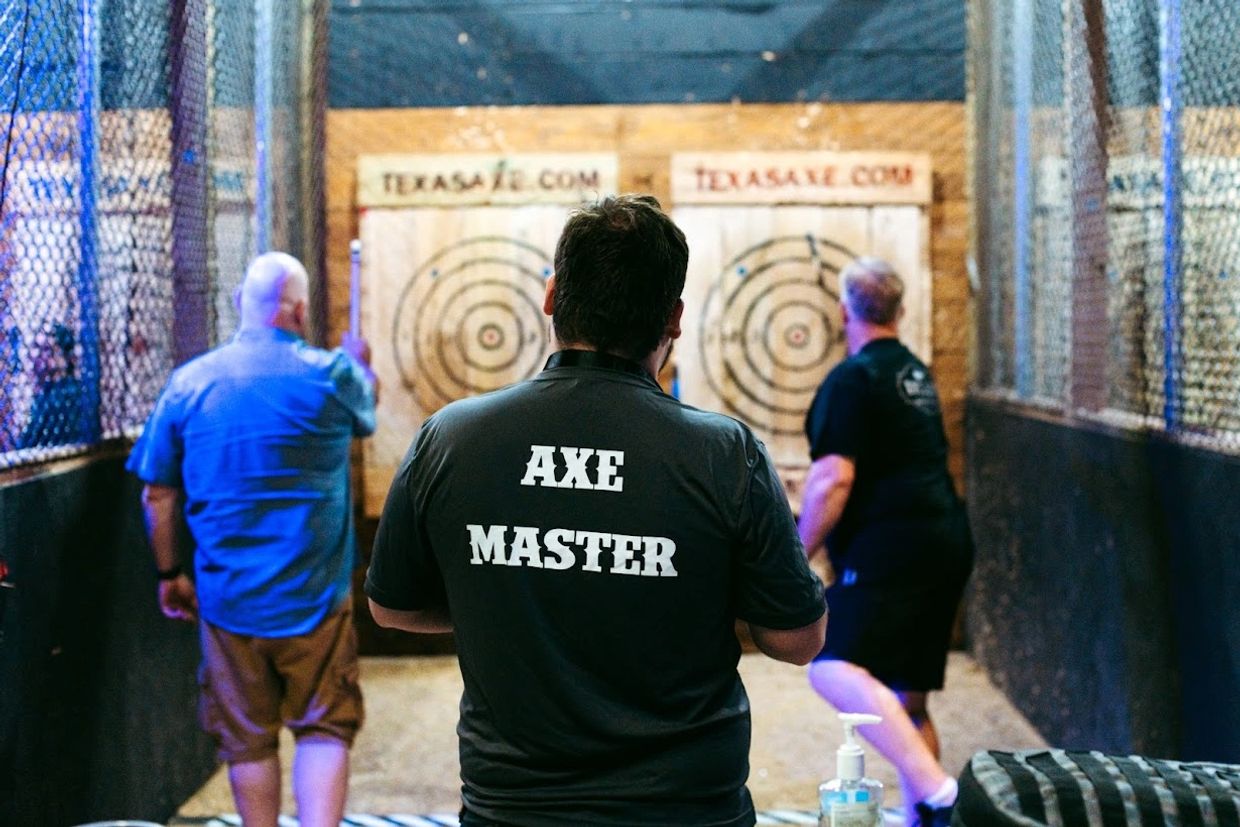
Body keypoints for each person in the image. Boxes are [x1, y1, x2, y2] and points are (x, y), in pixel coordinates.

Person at [366, 194, 827, 827]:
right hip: (686, 812)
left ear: (552, 295)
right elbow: (800, 639)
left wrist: (513, 595)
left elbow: (391, 606)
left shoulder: (450, 438)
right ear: (675, 318)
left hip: (512, 813)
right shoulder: (725, 453)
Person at [127, 251, 377, 827]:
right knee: (324, 726)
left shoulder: (189, 382)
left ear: (240, 302)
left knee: (246, 741)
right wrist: (361, 364)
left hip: (228, 600)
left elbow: (156, 495)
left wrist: (171, 574)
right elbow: (366, 414)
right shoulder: (332, 375)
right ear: (299, 309)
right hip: (316, 599)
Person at [798, 256, 973, 827]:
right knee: (908, 698)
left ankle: (941, 794)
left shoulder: (853, 376)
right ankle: (928, 817)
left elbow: (833, 478)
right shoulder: (916, 372)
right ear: (900, 309)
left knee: (829, 663)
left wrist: (794, 557)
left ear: (845, 309)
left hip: (891, 548)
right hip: (945, 539)